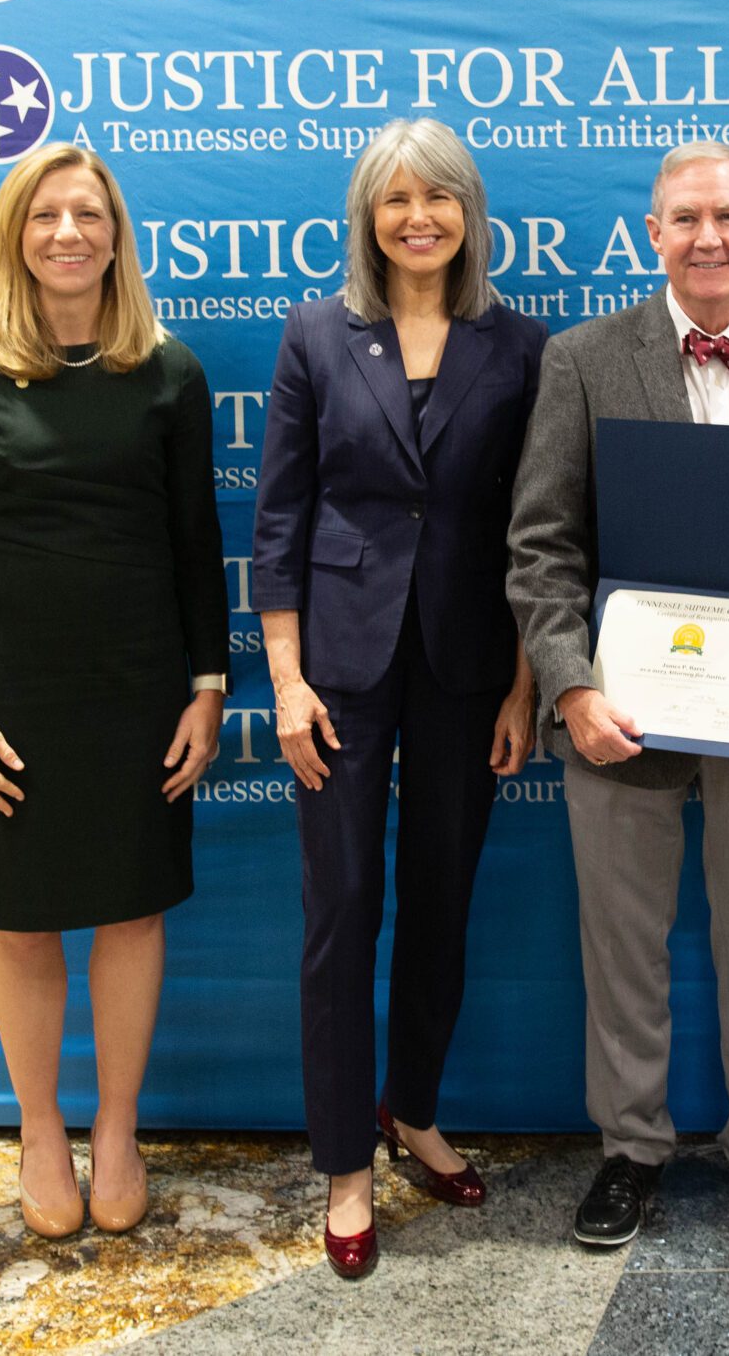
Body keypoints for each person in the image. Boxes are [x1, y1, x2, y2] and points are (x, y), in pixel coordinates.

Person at [506, 141, 729, 1253]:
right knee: (624, 947)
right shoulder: (582, 358)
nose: (707, 237)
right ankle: (630, 1148)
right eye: (684, 218)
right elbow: (540, 542)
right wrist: (570, 687)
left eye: (726, 216)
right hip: (620, 710)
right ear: (652, 233)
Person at [0, 145, 228, 1240]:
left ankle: (117, 1126)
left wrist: (206, 687)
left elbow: (197, 545)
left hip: (140, 684)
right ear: (15, 232)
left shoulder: (168, 372)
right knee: (23, 917)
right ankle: (41, 1127)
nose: (67, 233)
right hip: (13, 693)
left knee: (132, 907)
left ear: (116, 235)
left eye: (88, 214)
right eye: (45, 214)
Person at [252, 119, 546, 1280]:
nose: (418, 217)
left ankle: (412, 1108)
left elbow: (537, 528)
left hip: (469, 665)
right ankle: (344, 1164)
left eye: (439, 197)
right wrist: (285, 681)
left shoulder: (518, 344)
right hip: (338, 670)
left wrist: (524, 682)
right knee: (341, 910)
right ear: (367, 218)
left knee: (440, 899)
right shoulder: (317, 333)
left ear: (470, 214)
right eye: (395, 199)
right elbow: (280, 519)